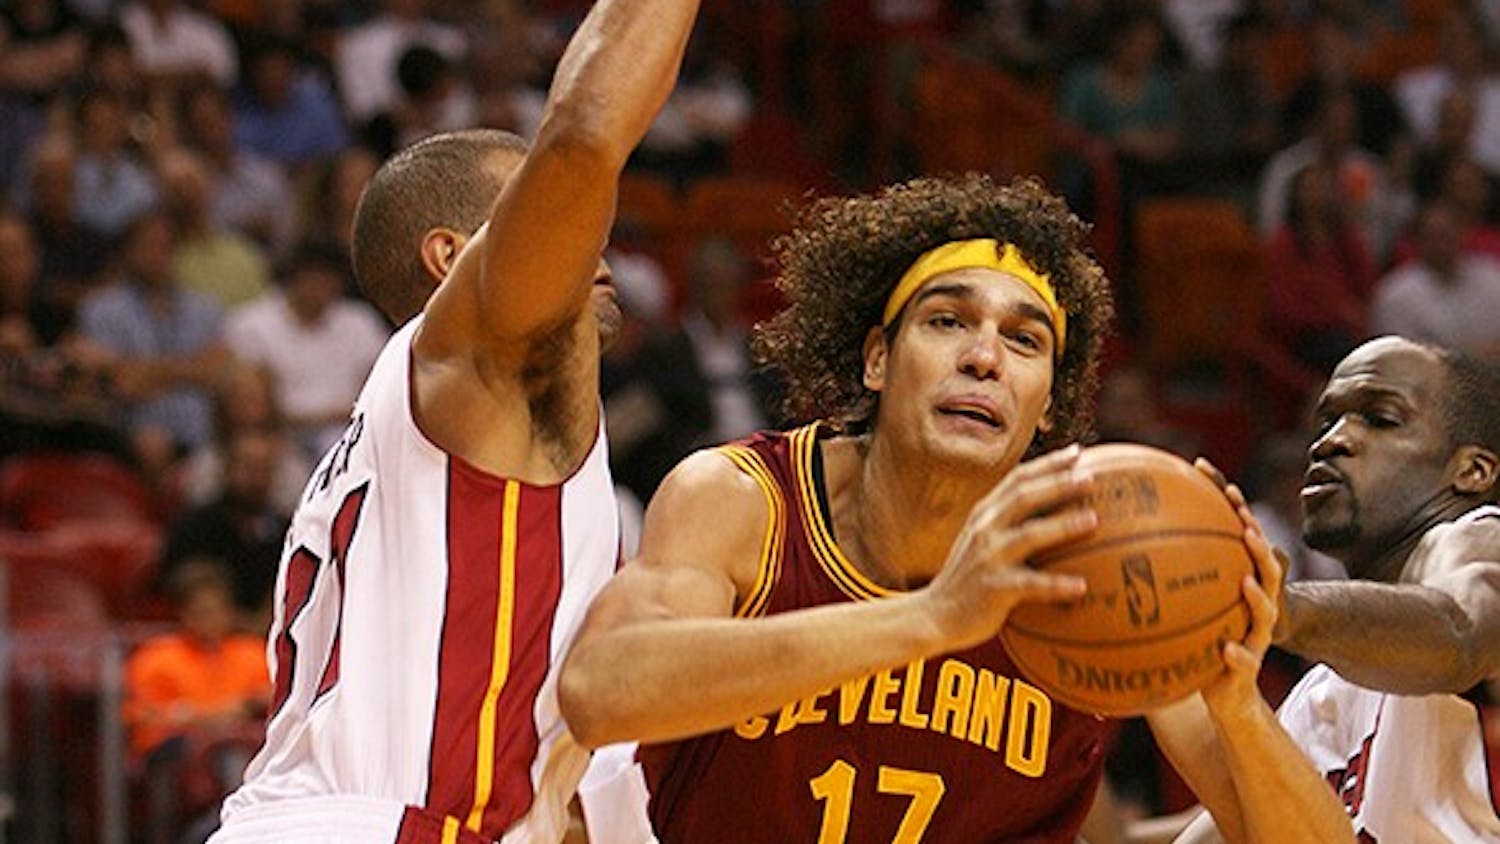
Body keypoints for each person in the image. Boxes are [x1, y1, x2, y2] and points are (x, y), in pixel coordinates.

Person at [558, 174, 1355, 844]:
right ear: (877, 358)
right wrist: (937, 617)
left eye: (1025, 340)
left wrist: (1230, 697)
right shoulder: (746, 500)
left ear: (1048, 405)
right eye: (948, 322)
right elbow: (601, 690)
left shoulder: (1084, 557)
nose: (983, 357)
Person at [210, 0, 703, 839]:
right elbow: (584, 138)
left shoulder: (418, 436)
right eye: (540, 211)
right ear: (451, 257)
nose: (593, 233)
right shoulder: (466, 362)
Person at [1176, 335, 1500, 842]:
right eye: (1325, 421)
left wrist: (1280, 608)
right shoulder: (1328, 690)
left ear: (1472, 471)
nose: (1332, 440)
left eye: (1382, 418)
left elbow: (1459, 632)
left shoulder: (1484, 540)